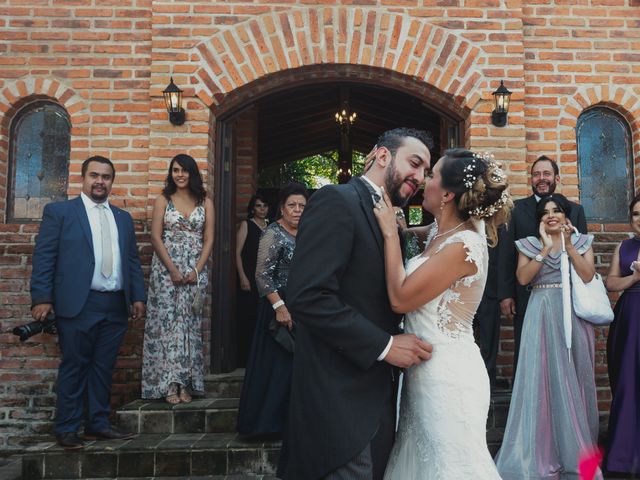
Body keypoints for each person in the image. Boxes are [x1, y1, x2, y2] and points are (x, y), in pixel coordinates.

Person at [278, 128, 434, 480]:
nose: (420, 177)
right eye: (414, 163)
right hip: (337, 398)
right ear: (382, 156)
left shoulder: (389, 217)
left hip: (376, 393)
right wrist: (385, 345)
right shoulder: (337, 200)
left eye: (426, 170)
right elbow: (307, 296)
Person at [375, 149, 511, 479]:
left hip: (447, 377)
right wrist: (405, 228)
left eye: (432, 175)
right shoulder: (443, 232)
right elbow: (426, 236)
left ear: (448, 194)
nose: (424, 180)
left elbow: (400, 299)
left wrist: (390, 233)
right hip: (424, 372)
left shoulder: (463, 245)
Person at [30, 155, 146, 450]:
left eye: (106, 177)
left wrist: (137, 297)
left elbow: (131, 261)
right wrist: (42, 298)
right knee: (74, 366)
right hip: (78, 303)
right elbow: (45, 257)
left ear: (111, 182)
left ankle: (98, 424)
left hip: (114, 305)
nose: (99, 181)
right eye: (94, 175)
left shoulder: (122, 218)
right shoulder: (60, 212)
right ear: (83, 178)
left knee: (104, 367)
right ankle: (67, 428)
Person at [495, 194, 601, 480]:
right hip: (540, 313)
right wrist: (544, 248)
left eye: (557, 211)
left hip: (572, 316)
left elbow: (588, 274)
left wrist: (568, 246)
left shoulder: (582, 242)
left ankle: (576, 453)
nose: (551, 215)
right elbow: (523, 278)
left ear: (566, 215)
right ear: (539, 219)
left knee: (573, 375)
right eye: (545, 212)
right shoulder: (528, 245)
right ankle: (540, 451)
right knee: (540, 378)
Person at [497, 155, 587, 374]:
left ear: (556, 177)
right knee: (529, 352)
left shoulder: (575, 210)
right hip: (526, 293)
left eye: (546, 174)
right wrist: (506, 294)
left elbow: (582, 253)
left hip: (567, 295)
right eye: (536, 174)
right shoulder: (515, 209)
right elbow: (506, 254)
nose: (541, 179)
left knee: (566, 353)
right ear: (531, 180)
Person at [236, 182, 308, 437]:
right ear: (281, 207)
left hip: (300, 306)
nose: (297, 210)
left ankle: (291, 423)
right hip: (276, 306)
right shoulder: (272, 233)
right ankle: (266, 424)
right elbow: (261, 275)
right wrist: (280, 307)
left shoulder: (306, 232)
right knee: (275, 366)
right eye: (292, 205)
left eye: (302, 205)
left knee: (294, 368)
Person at [141, 154, 214, 404]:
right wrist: (171, 269)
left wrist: (196, 270)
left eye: (184, 170)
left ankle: (187, 384)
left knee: (189, 327)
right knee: (167, 326)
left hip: (195, 271)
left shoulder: (205, 202)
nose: (180, 175)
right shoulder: (163, 199)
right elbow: (155, 237)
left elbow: (209, 239)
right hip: (166, 271)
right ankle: (169, 385)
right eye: (175, 170)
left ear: (193, 173)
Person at [604, 193, 640, 475]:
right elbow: (612, 283)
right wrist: (636, 278)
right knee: (627, 381)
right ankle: (623, 456)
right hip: (629, 318)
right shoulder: (624, 246)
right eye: (636, 214)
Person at [235, 194, 269, 367]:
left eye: (264, 205)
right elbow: (237, 253)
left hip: (263, 279)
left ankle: (260, 359)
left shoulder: (270, 228)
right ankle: (244, 359)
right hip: (248, 275)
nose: (261, 209)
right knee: (247, 318)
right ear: (252, 208)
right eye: (258, 206)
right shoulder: (246, 225)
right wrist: (242, 276)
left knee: (261, 318)